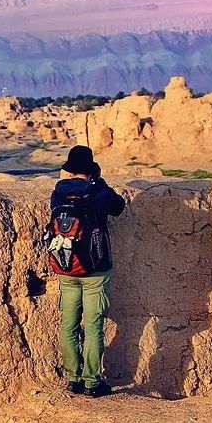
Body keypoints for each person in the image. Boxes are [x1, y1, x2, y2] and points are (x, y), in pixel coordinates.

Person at [50, 145, 125, 396]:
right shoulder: (98, 192)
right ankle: (92, 381)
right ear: (90, 170)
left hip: (66, 268)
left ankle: (73, 378)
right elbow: (118, 206)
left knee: (68, 325)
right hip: (94, 270)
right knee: (93, 326)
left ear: (69, 170)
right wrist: (100, 183)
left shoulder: (58, 194)